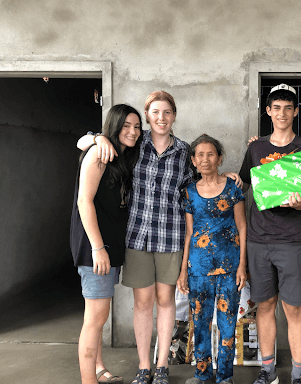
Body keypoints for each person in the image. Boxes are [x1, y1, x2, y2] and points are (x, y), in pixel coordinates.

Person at [77, 91, 241, 384]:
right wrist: (95, 137)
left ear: (174, 116)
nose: (161, 118)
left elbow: (203, 175)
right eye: (154, 113)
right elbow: (92, 142)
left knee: (166, 300)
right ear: (147, 117)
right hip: (137, 236)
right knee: (142, 302)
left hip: (170, 237)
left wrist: (224, 175)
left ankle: (162, 366)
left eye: (167, 112)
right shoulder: (133, 146)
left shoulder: (184, 151)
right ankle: (144, 367)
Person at [239, 84, 301, 384]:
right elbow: (243, 184)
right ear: (268, 111)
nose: (282, 113)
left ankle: (298, 374)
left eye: (288, 108)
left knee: (293, 308)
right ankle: (267, 371)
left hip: (293, 241)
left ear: (295, 111)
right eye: (276, 107)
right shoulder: (256, 148)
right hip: (258, 239)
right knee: (264, 307)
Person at [71, 104, 142, 384]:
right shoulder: (98, 154)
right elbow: (83, 201)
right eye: (126, 126)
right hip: (95, 248)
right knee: (95, 319)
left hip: (109, 247)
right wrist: (98, 249)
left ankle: (98, 368)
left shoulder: (120, 156)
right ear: (113, 126)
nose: (133, 132)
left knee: (98, 316)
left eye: (137, 126)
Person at [177, 134, 247, 384]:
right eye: (200, 155)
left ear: (219, 158)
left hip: (229, 268)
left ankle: (225, 377)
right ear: (193, 161)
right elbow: (189, 234)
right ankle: (202, 374)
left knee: (228, 326)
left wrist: (242, 266)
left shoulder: (232, 189)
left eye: (210, 154)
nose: (205, 159)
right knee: (200, 322)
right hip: (198, 268)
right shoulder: (189, 193)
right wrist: (183, 271)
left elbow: (242, 227)